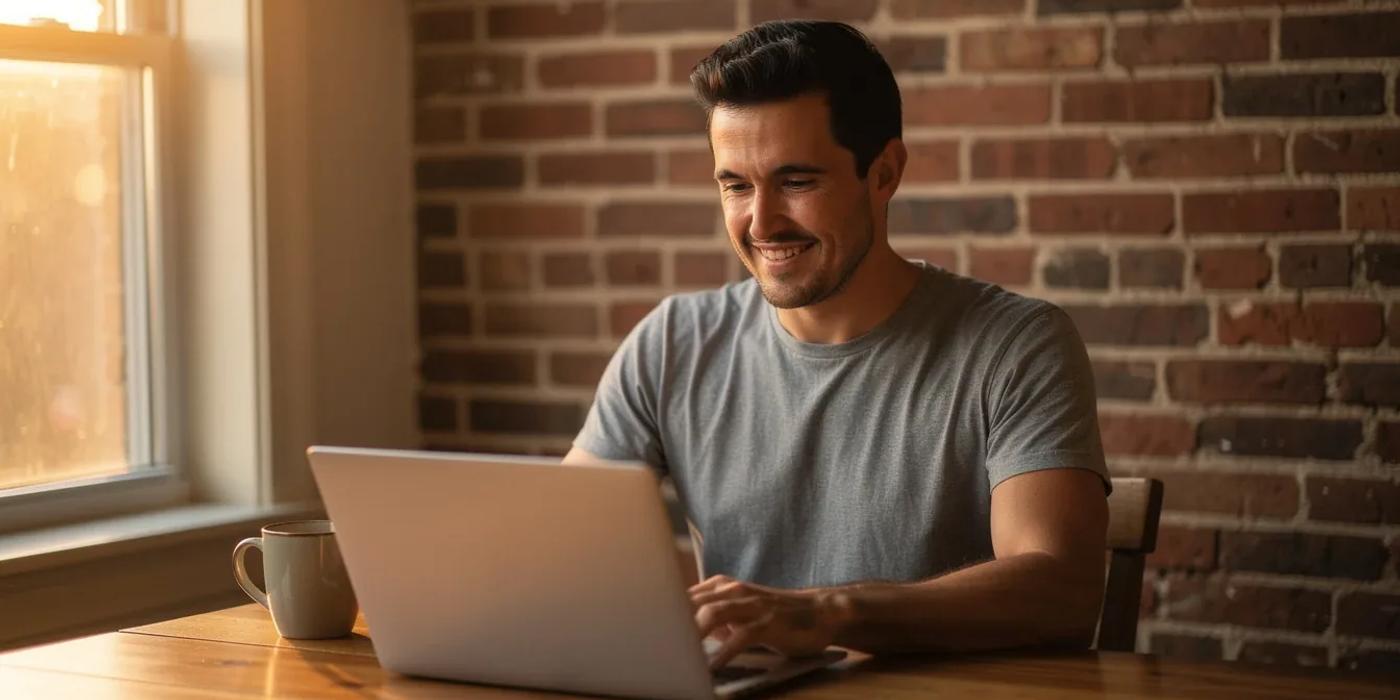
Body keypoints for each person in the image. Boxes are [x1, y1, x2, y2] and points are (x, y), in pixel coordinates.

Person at [562, 20, 1110, 669]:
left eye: (796, 182)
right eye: (735, 184)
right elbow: (559, 551)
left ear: (884, 174)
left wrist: (825, 613)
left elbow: (1062, 591)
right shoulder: (671, 345)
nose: (760, 223)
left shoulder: (1015, 344)